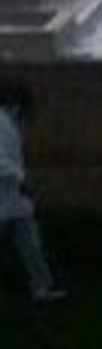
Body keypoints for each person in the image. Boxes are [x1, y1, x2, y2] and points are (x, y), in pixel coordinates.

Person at [0, 86, 66, 302]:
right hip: (8, 190)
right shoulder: (2, 124)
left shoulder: (9, 124)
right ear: (17, 105)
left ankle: (42, 288)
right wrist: (20, 180)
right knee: (29, 243)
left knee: (30, 243)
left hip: (13, 195)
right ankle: (41, 287)